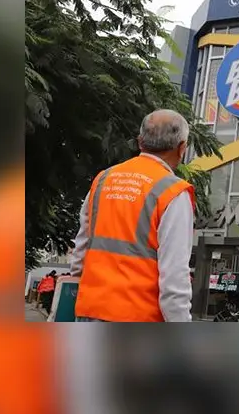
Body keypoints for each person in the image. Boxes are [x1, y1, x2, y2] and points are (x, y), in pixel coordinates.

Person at [71, 109, 197, 322]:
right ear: (182, 148)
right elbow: (174, 278)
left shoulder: (103, 180)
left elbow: (80, 251)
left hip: (90, 311)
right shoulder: (173, 192)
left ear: (140, 142)